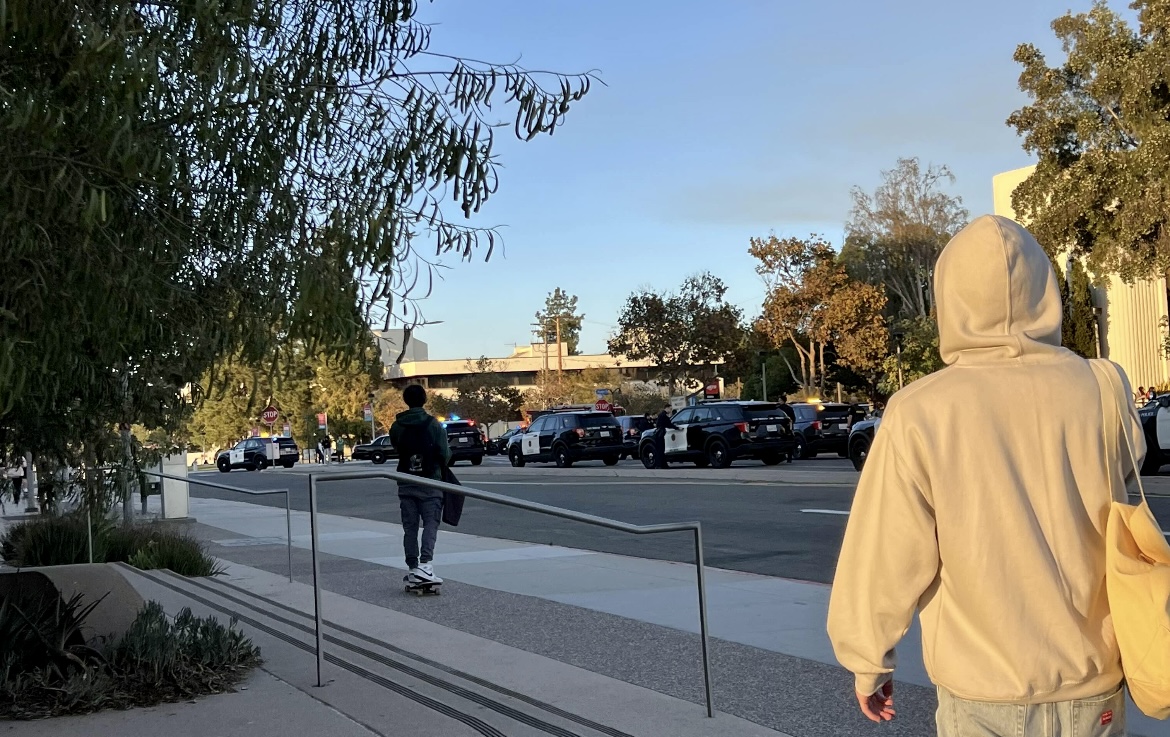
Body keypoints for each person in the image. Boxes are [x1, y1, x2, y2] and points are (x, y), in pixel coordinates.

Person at [828, 215, 1135, 734]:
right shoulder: (1104, 388)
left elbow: (885, 551)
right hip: (1095, 683)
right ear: (1044, 289)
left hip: (985, 691)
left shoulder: (920, 410)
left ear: (952, 297)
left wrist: (867, 661)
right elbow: (1121, 487)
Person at [388, 384, 451, 584]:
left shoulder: (397, 426)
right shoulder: (433, 424)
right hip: (430, 481)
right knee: (431, 523)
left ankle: (413, 566)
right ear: (424, 399)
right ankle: (426, 564)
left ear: (405, 400)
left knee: (410, 527)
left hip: (406, 481)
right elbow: (445, 453)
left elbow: (396, 447)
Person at [653, 404, 672, 469]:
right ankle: (660, 464)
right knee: (661, 450)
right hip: (661, 434)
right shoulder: (664, 416)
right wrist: (676, 428)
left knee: (660, 450)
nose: (670, 410)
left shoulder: (660, 415)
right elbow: (669, 424)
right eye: (670, 408)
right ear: (666, 408)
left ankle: (662, 464)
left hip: (659, 434)